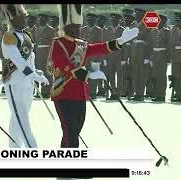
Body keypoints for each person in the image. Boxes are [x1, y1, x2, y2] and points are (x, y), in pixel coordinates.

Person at [49, 4, 138, 154]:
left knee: (76, 128)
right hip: (63, 92)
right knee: (70, 130)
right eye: (74, 26)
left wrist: (120, 41)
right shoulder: (58, 43)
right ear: (66, 27)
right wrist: (90, 75)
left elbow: (99, 48)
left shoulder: (81, 45)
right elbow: (65, 66)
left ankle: (65, 163)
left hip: (80, 94)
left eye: (79, 25)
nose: (78, 29)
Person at [0, 4, 49, 148]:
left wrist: (36, 71)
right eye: (22, 17)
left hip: (27, 83)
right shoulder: (8, 36)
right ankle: (32, 148)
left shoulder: (26, 34)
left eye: (25, 16)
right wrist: (33, 75)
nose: (25, 19)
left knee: (18, 117)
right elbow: (18, 61)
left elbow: (29, 58)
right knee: (22, 118)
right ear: (12, 19)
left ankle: (14, 148)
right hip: (15, 82)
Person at [149, 15, 170, 102]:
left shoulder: (167, 32)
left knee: (161, 76)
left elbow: (169, 45)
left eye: (160, 21)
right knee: (154, 75)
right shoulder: (153, 31)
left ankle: (161, 95)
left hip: (162, 54)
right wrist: (150, 57)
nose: (158, 22)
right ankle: (156, 94)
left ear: (164, 22)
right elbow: (151, 45)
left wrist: (168, 58)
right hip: (154, 55)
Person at [35, 13, 56, 98]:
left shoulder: (50, 29)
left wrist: (51, 55)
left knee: (47, 71)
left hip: (47, 51)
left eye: (42, 19)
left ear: (46, 20)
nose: (40, 21)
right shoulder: (38, 29)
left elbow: (53, 43)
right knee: (40, 71)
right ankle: (42, 90)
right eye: (39, 19)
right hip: (39, 51)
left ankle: (48, 91)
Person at [170, 13, 181, 102]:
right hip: (175, 55)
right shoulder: (173, 29)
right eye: (177, 20)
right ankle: (178, 94)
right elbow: (170, 43)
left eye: (179, 20)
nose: (178, 22)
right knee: (176, 76)